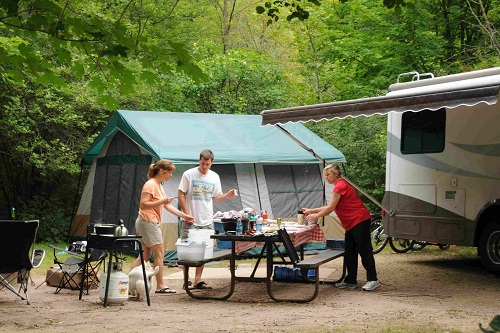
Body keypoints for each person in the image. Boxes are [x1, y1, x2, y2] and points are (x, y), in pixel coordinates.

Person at [303, 163, 380, 291]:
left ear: (336, 174)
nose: (326, 177)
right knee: (350, 252)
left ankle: (373, 279)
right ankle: (350, 281)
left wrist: (315, 216)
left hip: (359, 220)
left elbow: (330, 208)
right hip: (350, 223)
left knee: (364, 250)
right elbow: (329, 206)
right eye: (325, 175)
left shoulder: (340, 185)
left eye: (328, 175)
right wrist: (311, 211)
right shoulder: (339, 186)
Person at [130, 159, 194, 294]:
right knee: (159, 252)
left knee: (145, 255)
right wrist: (161, 201)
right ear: (161, 171)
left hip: (147, 222)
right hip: (148, 221)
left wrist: (184, 216)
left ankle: (127, 282)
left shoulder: (159, 185)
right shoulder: (150, 184)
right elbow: (143, 204)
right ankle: (160, 285)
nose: (170, 176)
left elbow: (166, 205)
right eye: (169, 173)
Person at [178, 149, 237, 290]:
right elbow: (180, 194)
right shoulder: (189, 174)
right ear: (199, 161)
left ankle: (198, 279)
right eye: (203, 164)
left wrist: (227, 196)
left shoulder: (214, 177)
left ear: (212, 163)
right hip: (190, 220)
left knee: (204, 251)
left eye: (207, 164)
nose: (204, 167)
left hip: (207, 220)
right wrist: (186, 214)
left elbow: (216, 197)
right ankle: (186, 280)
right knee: (187, 250)